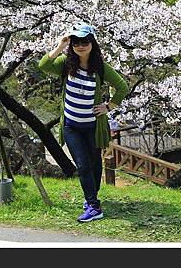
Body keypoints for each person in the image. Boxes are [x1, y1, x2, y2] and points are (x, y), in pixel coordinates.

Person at [38, 22, 129, 222]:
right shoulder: (65, 63)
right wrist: (60, 45)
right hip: (71, 126)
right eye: (76, 41)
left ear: (92, 43)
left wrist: (109, 106)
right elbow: (43, 65)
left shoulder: (101, 68)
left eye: (85, 41)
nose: (80, 45)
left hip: (93, 126)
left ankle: (91, 198)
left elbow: (123, 86)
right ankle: (94, 206)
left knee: (95, 164)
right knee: (83, 164)